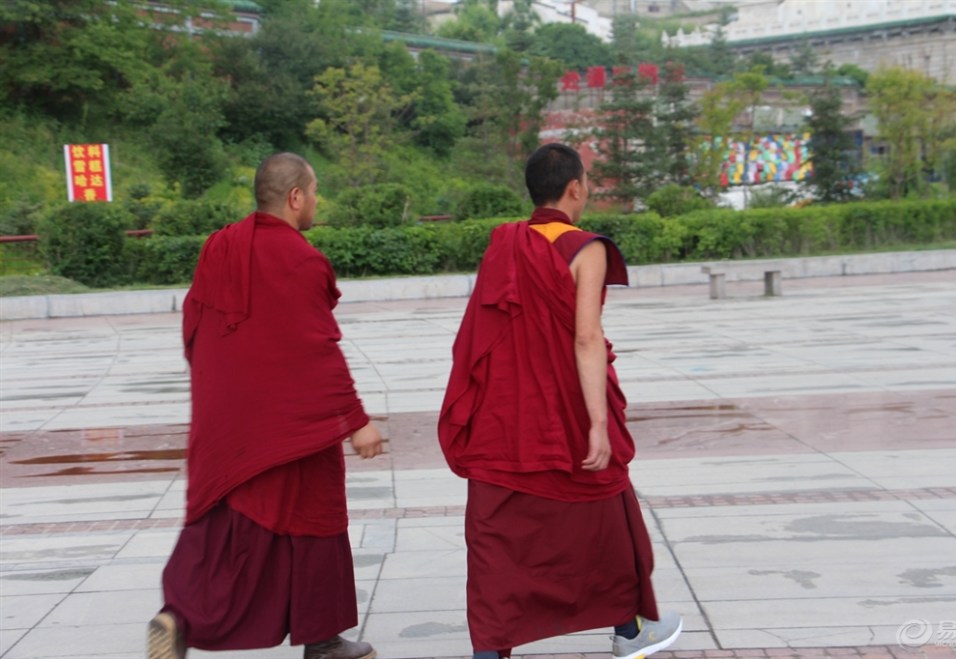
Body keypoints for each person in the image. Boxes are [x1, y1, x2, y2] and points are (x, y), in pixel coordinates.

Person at [438, 143, 682, 659]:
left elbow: (482, 336)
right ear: (575, 187)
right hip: (566, 411)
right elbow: (586, 337)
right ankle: (630, 630)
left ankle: (490, 652)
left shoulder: (505, 244)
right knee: (604, 521)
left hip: (504, 417)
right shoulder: (582, 247)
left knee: (498, 538)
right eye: (587, 180)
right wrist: (598, 422)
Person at [147, 153, 383, 659]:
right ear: (296, 197)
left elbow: (195, 329)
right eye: (314, 191)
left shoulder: (219, 247)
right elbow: (318, 346)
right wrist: (356, 420)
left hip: (231, 422)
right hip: (293, 423)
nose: (317, 201)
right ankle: (322, 640)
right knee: (316, 516)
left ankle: (177, 616)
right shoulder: (303, 259)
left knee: (223, 522)